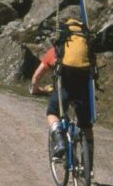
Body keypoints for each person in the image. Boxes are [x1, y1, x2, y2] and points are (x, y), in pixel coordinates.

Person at [29, 19, 94, 161]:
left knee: (52, 112)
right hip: (83, 91)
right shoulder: (87, 49)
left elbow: (37, 75)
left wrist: (35, 89)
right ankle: (88, 159)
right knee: (86, 125)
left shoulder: (57, 50)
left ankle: (59, 141)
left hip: (64, 89)